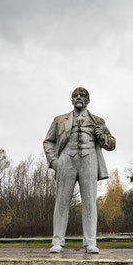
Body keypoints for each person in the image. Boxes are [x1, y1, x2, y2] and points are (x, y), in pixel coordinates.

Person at [43, 87, 116, 254]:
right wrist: (54, 161)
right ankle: (57, 241)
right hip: (66, 159)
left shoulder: (98, 121)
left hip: (89, 159)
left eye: (82, 95)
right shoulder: (59, 120)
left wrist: (101, 136)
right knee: (61, 202)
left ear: (88, 100)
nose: (78, 97)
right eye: (75, 95)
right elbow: (48, 141)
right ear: (71, 100)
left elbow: (111, 144)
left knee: (90, 202)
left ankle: (90, 242)